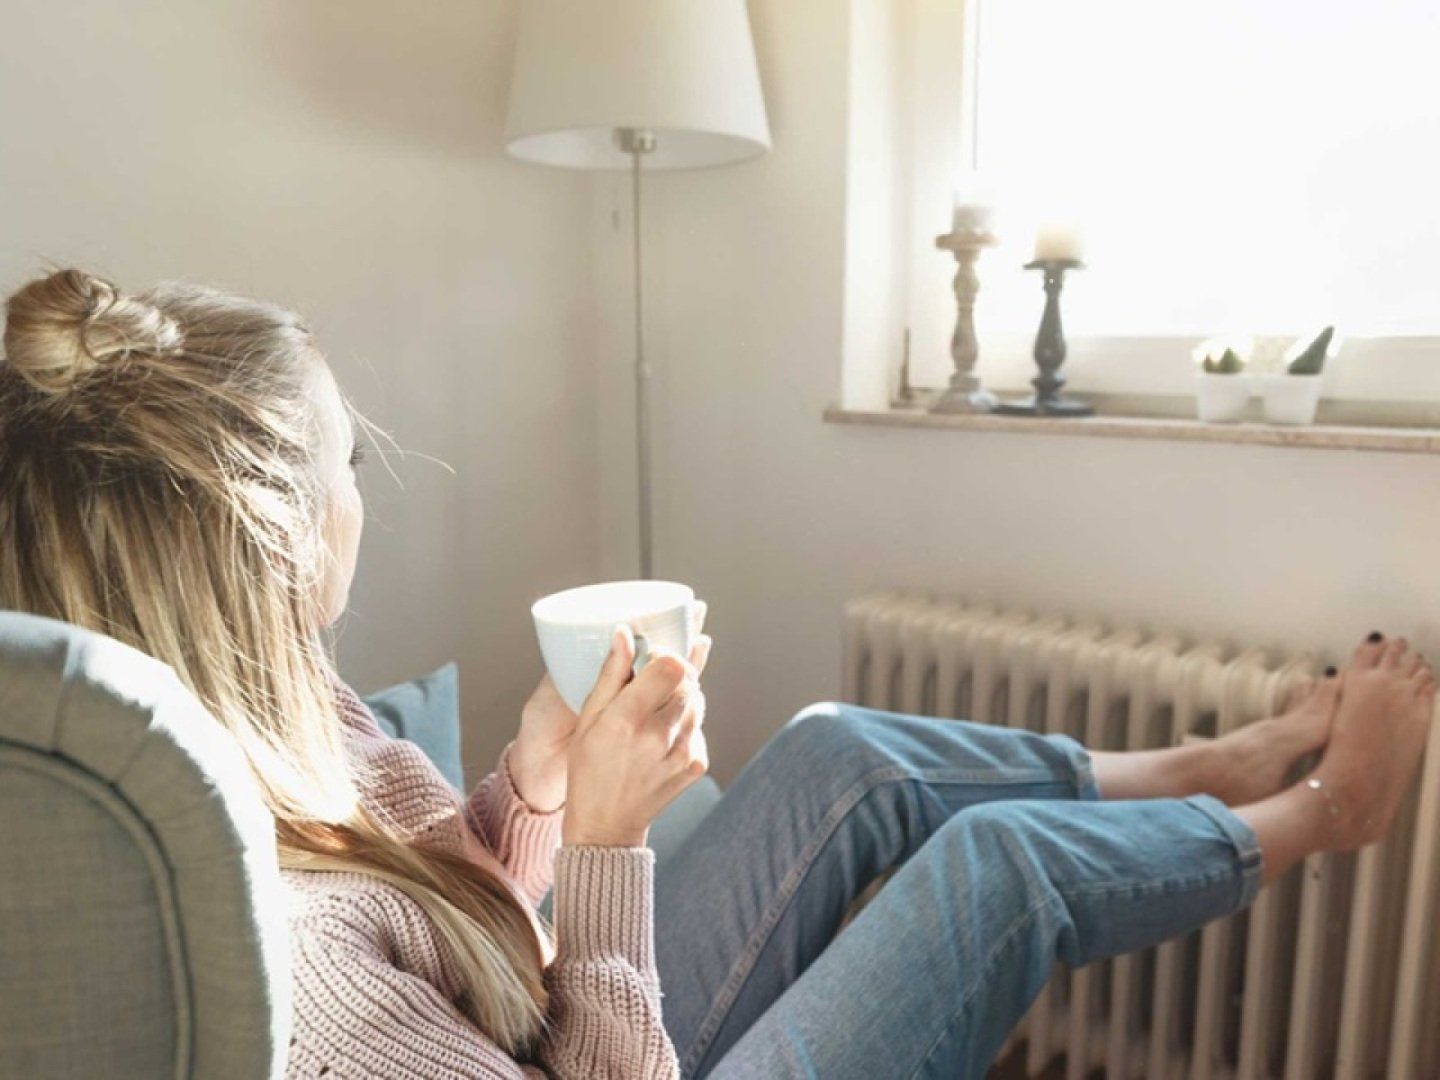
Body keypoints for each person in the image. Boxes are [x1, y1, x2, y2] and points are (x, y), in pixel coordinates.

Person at [1, 267, 1432, 1080]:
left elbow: (457, 943)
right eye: (346, 467)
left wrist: (534, 786)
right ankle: (1323, 818)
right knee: (994, 868)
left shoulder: (272, 698)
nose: (364, 494)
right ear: (271, 545)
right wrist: (615, 847)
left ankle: (1200, 772)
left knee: (837, 750)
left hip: (558, 1019)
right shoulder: (298, 986)